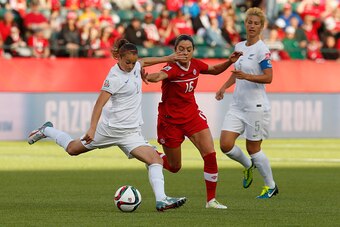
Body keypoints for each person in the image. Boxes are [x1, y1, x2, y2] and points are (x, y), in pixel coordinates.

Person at [27, 38, 187, 212]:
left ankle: (161, 200)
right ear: (118, 58)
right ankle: (47, 130)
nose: (131, 66)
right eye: (127, 62)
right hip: (110, 130)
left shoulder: (135, 66)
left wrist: (169, 58)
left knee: (155, 159)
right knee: (72, 149)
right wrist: (93, 128)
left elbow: (143, 62)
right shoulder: (114, 78)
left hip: (131, 133)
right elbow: (99, 104)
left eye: (133, 63)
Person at [142, 34, 242, 209]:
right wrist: (148, 77)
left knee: (210, 154)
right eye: (181, 49)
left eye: (189, 49)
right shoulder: (171, 67)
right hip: (170, 121)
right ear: (175, 50)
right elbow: (158, 76)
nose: (185, 52)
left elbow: (215, 70)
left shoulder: (195, 64)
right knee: (174, 167)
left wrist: (229, 61)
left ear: (193, 51)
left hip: (192, 117)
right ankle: (152, 156)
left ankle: (211, 200)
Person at [215, 7, 278, 199]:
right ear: (245, 24)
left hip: (256, 107)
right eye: (249, 22)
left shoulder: (262, 50)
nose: (252, 26)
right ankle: (248, 166)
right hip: (237, 106)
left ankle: (271, 186)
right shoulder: (239, 46)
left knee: (253, 149)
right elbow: (237, 73)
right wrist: (224, 86)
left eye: (256, 23)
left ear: (261, 27)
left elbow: (268, 78)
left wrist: (247, 76)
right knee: (225, 145)